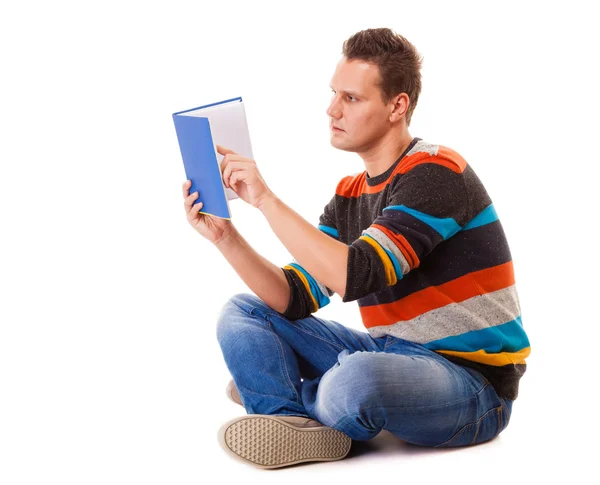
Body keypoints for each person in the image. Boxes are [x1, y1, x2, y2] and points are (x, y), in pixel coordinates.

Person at [181, 28, 531, 469]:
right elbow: (294, 296)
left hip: (472, 387)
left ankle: (280, 388)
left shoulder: (436, 171)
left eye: (351, 98)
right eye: (333, 94)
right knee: (242, 311)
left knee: (354, 381)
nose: (331, 110)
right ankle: (288, 418)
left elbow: (358, 273)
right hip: (391, 354)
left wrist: (265, 199)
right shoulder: (350, 195)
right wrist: (226, 238)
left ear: (396, 106)